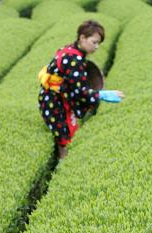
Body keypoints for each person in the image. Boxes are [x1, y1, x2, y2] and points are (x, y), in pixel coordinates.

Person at [38, 20, 124, 159]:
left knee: (67, 133)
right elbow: (80, 91)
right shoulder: (74, 59)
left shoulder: (68, 49)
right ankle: (62, 164)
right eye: (94, 42)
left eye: (98, 44)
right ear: (82, 38)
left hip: (53, 96)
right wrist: (100, 94)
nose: (96, 47)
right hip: (55, 101)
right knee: (64, 137)